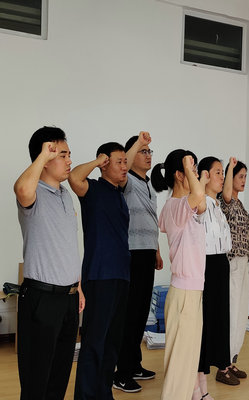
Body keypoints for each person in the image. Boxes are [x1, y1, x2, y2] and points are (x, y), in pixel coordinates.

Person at [14, 126, 85, 400]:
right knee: (36, 381)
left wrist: (78, 287)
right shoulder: (32, 194)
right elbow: (21, 188)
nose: (69, 160)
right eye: (62, 155)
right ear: (45, 157)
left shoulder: (66, 195)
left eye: (69, 154)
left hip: (68, 299)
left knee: (59, 377)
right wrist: (43, 155)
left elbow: (67, 247)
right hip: (41, 299)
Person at [70, 141, 131, 400]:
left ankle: (103, 393)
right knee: (94, 341)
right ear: (104, 164)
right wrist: (97, 162)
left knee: (112, 342)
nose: (124, 166)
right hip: (99, 275)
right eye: (119, 162)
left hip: (122, 274)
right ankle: (85, 395)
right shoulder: (92, 189)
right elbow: (74, 177)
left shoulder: (119, 193)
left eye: (125, 161)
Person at [151, 150, 209, 400]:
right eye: (191, 169)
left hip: (192, 291)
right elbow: (199, 195)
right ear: (179, 174)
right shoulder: (175, 206)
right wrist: (187, 167)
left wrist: (190, 171)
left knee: (188, 362)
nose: (195, 173)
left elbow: (202, 202)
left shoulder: (186, 206)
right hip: (184, 293)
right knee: (179, 367)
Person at [113, 133, 164, 393]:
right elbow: (124, 165)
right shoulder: (127, 182)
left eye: (149, 151)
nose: (148, 155)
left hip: (147, 252)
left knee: (141, 312)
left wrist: (156, 250)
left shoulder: (149, 185)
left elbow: (151, 220)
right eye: (143, 151)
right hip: (131, 253)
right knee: (130, 314)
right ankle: (121, 373)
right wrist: (137, 144)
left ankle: (134, 365)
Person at [196, 156, 236, 398]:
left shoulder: (218, 206)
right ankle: (197, 386)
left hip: (221, 264)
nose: (222, 177)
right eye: (218, 172)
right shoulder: (199, 204)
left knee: (218, 323)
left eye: (223, 172)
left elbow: (228, 192)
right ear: (205, 175)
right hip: (206, 266)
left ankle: (207, 381)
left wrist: (230, 168)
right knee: (205, 325)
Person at [220, 157, 249, 379]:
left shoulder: (240, 204)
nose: (244, 180)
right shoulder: (226, 202)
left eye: (245, 176)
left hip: (244, 261)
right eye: (241, 176)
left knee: (241, 314)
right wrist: (230, 168)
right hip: (232, 262)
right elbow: (227, 194)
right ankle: (223, 364)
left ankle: (232, 360)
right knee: (231, 313)